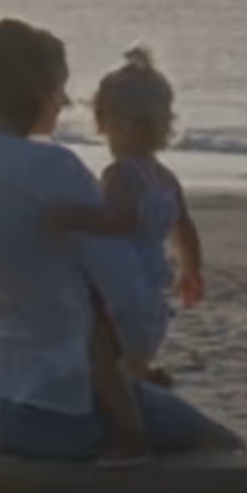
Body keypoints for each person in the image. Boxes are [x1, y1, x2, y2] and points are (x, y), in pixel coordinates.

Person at [0, 15, 238, 466]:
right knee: (224, 449)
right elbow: (126, 297)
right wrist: (137, 361)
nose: (66, 101)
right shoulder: (50, 167)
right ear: (37, 87)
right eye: (60, 87)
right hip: (64, 405)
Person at [45, 45, 207, 393]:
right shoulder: (165, 177)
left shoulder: (121, 174)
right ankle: (142, 376)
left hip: (125, 284)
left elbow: (117, 220)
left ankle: (136, 386)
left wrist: (70, 217)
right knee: (134, 348)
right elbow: (184, 226)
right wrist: (191, 271)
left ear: (109, 122)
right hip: (153, 282)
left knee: (107, 349)